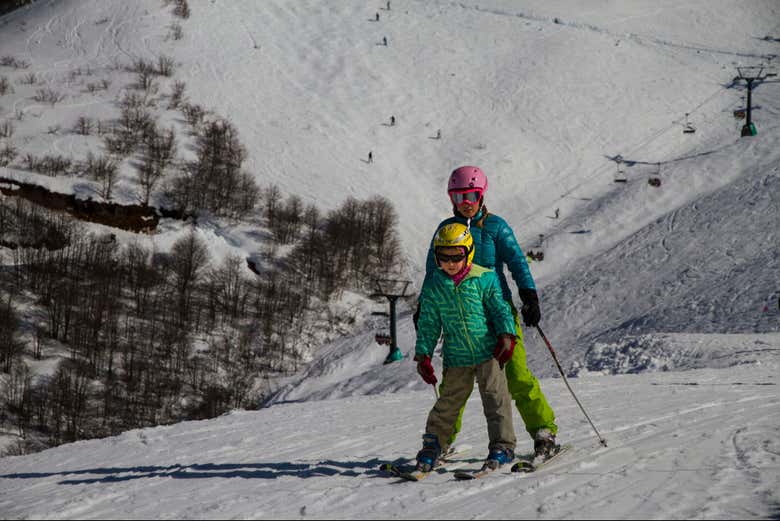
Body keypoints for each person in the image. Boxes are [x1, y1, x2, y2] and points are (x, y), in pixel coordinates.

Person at [416, 165, 559, 459]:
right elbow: (433, 270)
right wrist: (424, 306)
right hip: (461, 318)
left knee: (517, 376)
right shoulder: (445, 232)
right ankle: (441, 442)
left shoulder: (496, 227)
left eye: (470, 195)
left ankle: (543, 431)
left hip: (499, 314)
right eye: (458, 197)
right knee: (455, 386)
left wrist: (529, 295)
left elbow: (518, 262)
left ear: (481, 196)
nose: (465, 203)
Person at [413, 222, 517, 472]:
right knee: (448, 402)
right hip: (456, 356)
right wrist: (423, 355)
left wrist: (506, 335)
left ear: (468, 252)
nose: (450, 263)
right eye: (444, 257)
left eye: (456, 257)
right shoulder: (434, 285)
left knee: (495, 399)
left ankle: (502, 445)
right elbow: (428, 323)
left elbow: (500, 309)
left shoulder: (485, 278)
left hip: (487, 352)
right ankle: (434, 444)